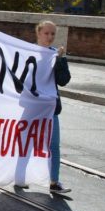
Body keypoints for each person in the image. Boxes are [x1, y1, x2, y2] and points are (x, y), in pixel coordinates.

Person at [36, 20, 71, 195]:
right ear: (39, 33)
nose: (49, 37)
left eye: (52, 34)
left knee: (53, 145)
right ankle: (18, 176)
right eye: (46, 33)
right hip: (32, 108)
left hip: (50, 109)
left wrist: (61, 60)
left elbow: (63, 80)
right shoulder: (29, 53)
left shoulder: (55, 55)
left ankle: (54, 181)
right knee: (24, 144)